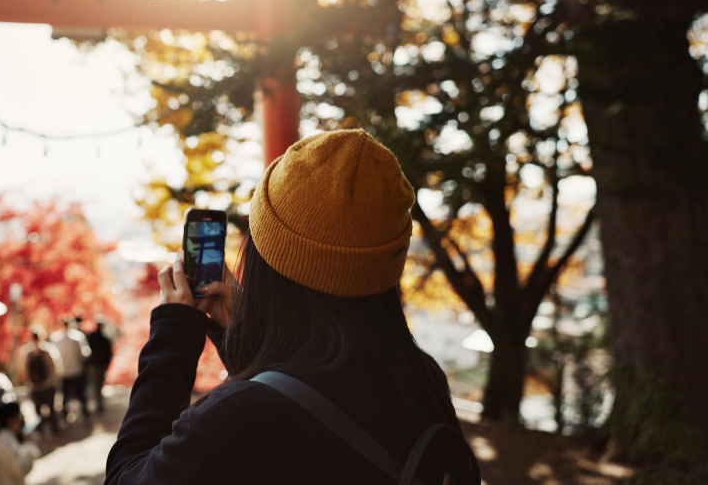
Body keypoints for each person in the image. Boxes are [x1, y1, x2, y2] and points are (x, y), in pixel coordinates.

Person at [105, 130, 481, 484]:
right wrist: (243, 335)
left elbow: (127, 474)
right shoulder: (421, 380)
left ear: (270, 262)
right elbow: (305, 402)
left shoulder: (236, 418)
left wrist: (173, 335)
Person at [0, 402, 41, 485]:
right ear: (10, 419)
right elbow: (21, 468)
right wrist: (31, 451)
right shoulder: (6, 439)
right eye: (18, 415)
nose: (21, 419)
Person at [50, 316, 91, 421]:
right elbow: (85, 354)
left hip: (63, 372)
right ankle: (86, 414)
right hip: (77, 370)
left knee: (64, 394)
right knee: (81, 393)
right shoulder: (78, 336)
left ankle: (64, 415)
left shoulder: (54, 338)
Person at [25, 329, 64, 434]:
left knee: (38, 411)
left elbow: (24, 369)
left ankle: (40, 431)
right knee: (52, 408)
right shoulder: (48, 349)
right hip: (48, 385)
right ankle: (55, 429)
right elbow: (56, 366)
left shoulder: (28, 351)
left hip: (34, 386)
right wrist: (54, 381)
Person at [86, 315, 115, 413]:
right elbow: (109, 353)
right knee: (98, 384)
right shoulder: (104, 338)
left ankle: (98, 402)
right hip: (101, 365)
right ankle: (99, 403)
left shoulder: (91, 337)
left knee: (96, 384)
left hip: (95, 364)